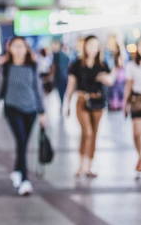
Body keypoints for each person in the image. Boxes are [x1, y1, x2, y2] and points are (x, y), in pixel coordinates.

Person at [0, 37, 46, 196]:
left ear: (26, 49)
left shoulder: (33, 66)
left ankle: (18, 170)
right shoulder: (6, 67)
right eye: (15, 46)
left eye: (21, 46)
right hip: (12, 109)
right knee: (21, 141)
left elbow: (38, 89)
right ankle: (24, 180)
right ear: (10, 48)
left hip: (30, 110)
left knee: (23, 142)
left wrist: (42, 111)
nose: (18, 49)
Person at [64, 35, 115, 178]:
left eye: (95, 45)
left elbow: (111, 80)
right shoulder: (76, 64)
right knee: (87, 132)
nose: (92, 48)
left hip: (98, 102)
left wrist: (104, 78)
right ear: (84, 46)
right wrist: (66, 104)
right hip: (82, 100)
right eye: (90, 45)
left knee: (94, 134)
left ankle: (89, 166)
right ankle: (81, 165)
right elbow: (70, 86)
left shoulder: (103, 64)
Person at [123, 39, 141, 179]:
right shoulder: (131, 65)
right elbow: (128, 85)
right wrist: (125, 103)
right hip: (136, 100)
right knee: (136, 133)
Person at [51, 40, 70, 110]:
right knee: (64, 91)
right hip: (65, 77)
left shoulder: (56, 55)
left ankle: (62, 104)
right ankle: (64, 104)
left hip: (59, 77)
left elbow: (54, 67)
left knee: (60, 92)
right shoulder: (66, 56)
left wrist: (52, 76)